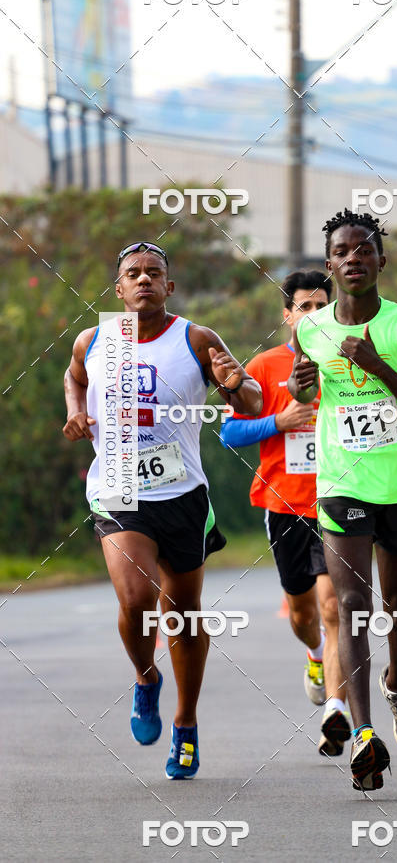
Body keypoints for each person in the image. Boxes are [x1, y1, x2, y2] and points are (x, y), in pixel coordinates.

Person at [63, 241, 262, 779]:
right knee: (137, 599)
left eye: (154, 272)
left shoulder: (196, 339)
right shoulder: (94, 340)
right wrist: (76, 411)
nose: (144, 279)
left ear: (169, 287)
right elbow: (75, 375)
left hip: (182, 495)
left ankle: (186, 722)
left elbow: (251, 402)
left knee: (184, 614)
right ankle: (146, 677)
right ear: (119, 288)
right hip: (119, 489)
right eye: (133, 273)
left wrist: (233, 383)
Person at [288, 209, 397, 792]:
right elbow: (303, 383)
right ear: (329, 266)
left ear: (383, 260)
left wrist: (377, 366)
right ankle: (364, 736)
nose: (353, 257)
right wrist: (300, 385)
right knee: (353, 602)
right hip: (341, 483)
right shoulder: (310, 329)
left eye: (364, 249)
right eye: (342, 251)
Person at [219, 270, 351, 757]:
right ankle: (314, 654)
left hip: (340, 501)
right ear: (287, 315)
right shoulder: (264, 365)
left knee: (334, 608)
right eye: (304, 307)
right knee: (303, 613)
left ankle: (335, 711)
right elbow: (229, 434)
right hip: (285, 506)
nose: (313, 315)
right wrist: (280, 420)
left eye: (322, 306)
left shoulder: (348, 361)